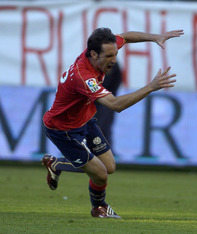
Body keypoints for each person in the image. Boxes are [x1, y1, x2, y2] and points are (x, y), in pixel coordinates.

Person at [41, 27, 184, 218]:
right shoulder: (84, 78)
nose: (114, 60)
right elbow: (115, 105)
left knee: (109, 167)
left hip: (85, 119)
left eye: (115, 54)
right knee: (100, 173)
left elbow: (125, 37)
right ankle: (98, 207)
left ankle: (56, 164)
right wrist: (151, 87)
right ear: (93, 54)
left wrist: (155, 37)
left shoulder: (99, 51)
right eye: (109, 56)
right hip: (62, 129)